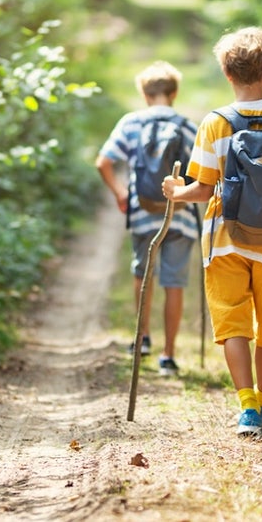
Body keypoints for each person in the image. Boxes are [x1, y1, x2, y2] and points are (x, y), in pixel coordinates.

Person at [162, 27, 262, 437]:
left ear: (226, 74)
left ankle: (248, 407)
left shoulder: (215, 123)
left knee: (234, 325)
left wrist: (175, 193)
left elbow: (201, 188)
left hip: (225, 238)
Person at [96, 61, 199, 376]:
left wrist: (120, 194)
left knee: (143, 274)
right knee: (175, 282)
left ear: (144, 93)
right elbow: (204, 172)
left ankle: (141, 338)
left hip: (142, 212)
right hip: (179, 215)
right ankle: (168, 355)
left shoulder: (131, 124)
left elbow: (104, 162)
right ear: (174, 92)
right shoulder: (187, 125)